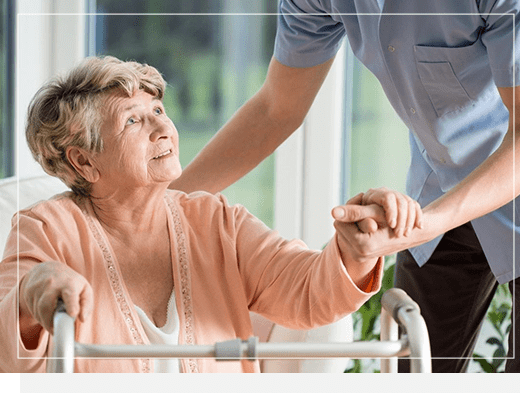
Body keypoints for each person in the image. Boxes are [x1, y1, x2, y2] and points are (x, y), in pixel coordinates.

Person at [171, 1, 520, 372]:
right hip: (438, 188)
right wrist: (160, 201)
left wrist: (426, 224)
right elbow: (276, 108)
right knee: (414, 367)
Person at [0, 55, 421, 373]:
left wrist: (354, 251)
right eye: (132, 121)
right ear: (84, 162)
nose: (162, 129)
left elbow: (307, 290)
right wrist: (28, 295)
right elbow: (7, 351)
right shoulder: (43, 230)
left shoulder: (215, 220)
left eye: (159, 111)